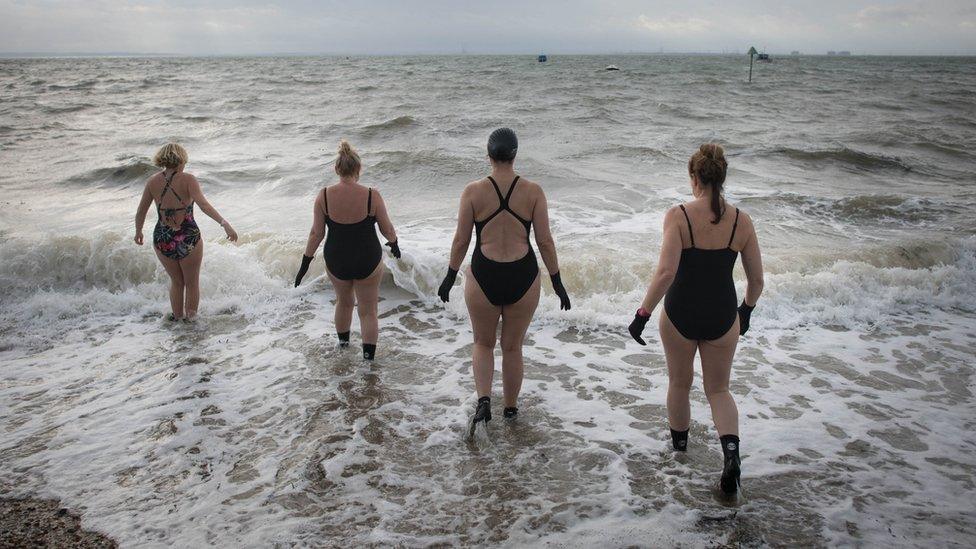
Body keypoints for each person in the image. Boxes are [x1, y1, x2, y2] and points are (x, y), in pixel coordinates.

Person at [628, 144, 764, 496]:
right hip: (722, 315)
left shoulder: (679, 216)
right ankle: (731, 455)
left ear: (694, 178)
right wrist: (744, 313)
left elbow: (665, 273)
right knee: (718, 390)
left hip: (680, 315)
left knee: (679, 383)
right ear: (721, 177)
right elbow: (757, 281)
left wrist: (642, 314)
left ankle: (680, 455)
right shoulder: (742, 221)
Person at [437, 128, 571, 436]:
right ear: (514, 155)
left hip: (484, 274)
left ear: (488, 155)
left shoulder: (472, 192)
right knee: (512, 347)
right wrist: (557, 280)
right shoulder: (533, 191)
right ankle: (510, 410)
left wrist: (449, 276)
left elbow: (460, 241)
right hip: (522, 275)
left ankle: (484, 402)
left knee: (483, 343)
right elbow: (546, 241)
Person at [295, 140, 400, 360]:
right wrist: (394, 244)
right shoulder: (372, 195)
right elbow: (387, 229)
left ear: (337, 169)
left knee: (344, 302)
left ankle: (343, 348)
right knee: (368, 310)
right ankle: (368, 360)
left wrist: (305, 262)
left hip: (337, 260)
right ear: (358, 169)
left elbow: (316, 234)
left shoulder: (323, 196)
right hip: (367, 259)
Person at [134, 143, 238, 321]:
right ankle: (191, 322)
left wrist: (138, 231)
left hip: (162, 238)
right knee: (191, 283)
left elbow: (141, 211)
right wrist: (224, 223)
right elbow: (203, 205)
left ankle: (177, 321)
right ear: (181, 160)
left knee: (176, 282)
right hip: (188, 236)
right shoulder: (188, 179)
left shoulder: (152, 182)